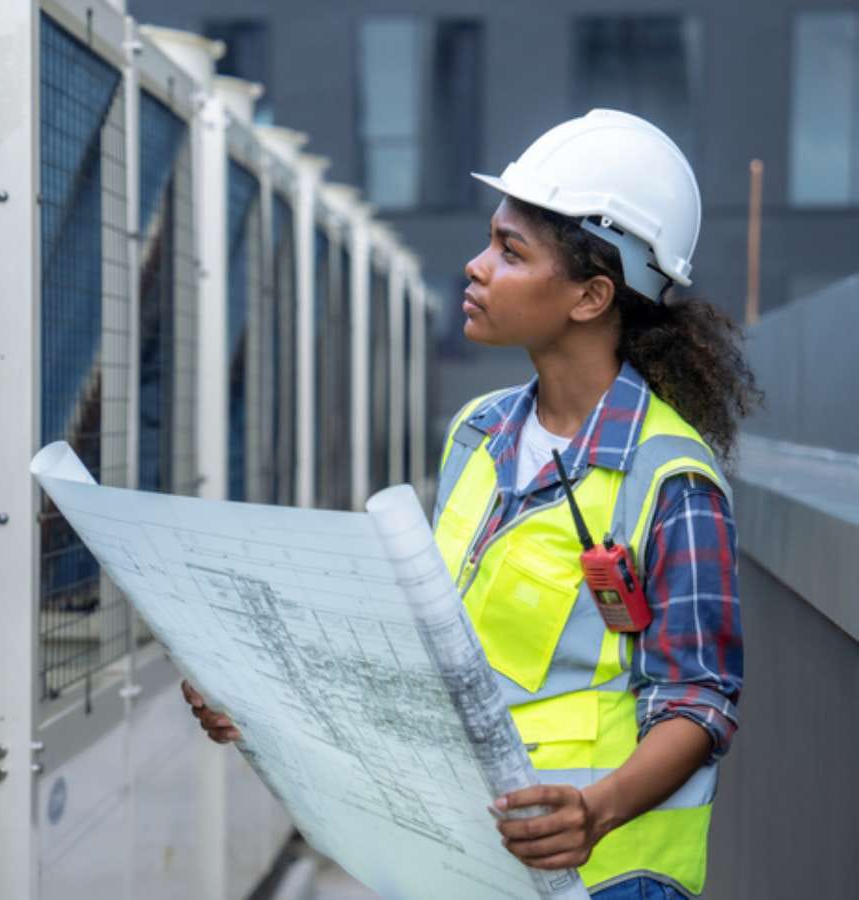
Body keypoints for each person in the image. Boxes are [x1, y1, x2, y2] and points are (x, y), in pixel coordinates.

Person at [182, 109, 757, 899]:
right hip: (465, 861)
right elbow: (437, 654)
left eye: (509, 251)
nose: (475, 266)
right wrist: (265, 705)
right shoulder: (477, 434)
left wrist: (595, 810)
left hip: (613, 877)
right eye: (491, 240)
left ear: (591, 295)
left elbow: (699, 700)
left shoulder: (670, 479)